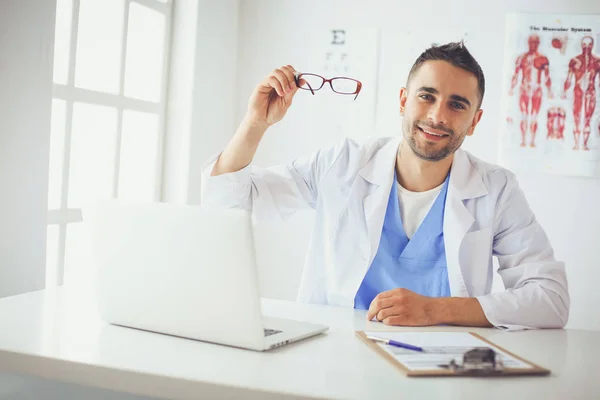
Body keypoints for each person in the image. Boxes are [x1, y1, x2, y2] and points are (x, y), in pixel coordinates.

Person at [201, 42, 569, 330]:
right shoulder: (342, 165)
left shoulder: (497, 189)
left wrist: (434, 310)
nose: (438, 116)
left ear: (475, 121)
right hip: (334, 357)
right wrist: (255, 122)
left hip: (442, 367)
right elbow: (230, 205)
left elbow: (550, 300)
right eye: (426, 96)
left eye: (457, 105)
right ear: (403, 100)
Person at [508, 34, 553, 148]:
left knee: (534, 116)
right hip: (524, 88)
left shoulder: (543, 58)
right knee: (524, 115)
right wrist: (511, 88)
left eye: (536, 42)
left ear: (538, 43)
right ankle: (523, 140)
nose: (533, 44)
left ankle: (532, 140)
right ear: (528, 43)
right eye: (531, 42)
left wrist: (549, 90)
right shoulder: (521, 57)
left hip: (537, 89)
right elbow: (516, 74)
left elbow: (547, 77)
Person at [562, 36, 600, 151]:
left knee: (587, 118)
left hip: (590, 92)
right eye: (584, 44)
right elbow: (568, 79)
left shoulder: (597, 61)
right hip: (577, 92)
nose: (587, 47)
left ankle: (584, 143)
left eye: (589, 45)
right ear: (581, 45)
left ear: (592, 45)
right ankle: (576, 143)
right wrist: (564, 92)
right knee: (577, 117)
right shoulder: (575, 61)